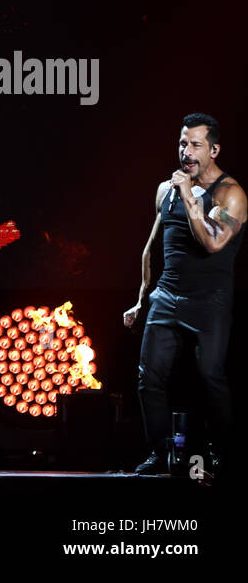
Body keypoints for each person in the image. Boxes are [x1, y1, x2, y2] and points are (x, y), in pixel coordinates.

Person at [123, 113, 243, 476]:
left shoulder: (230, 194)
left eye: (195, 145)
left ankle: (224, 454)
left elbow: (211, 243)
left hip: (210, 301)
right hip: (167, 296)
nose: (186, 152)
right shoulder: (166, 190)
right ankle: (161, 453)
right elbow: (150, 248)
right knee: (149, 377)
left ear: (214, 149)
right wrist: (143, 298)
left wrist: (191, 196)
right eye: (182, 144)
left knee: (210, 377)